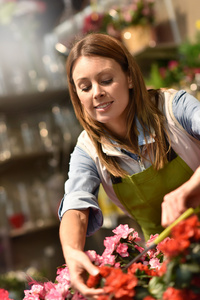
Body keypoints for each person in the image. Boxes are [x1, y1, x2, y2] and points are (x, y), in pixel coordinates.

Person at [58, 33, 200, 298]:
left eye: (106, 80)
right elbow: (75, 205)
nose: (97, 93)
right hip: (171, 266)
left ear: (130, 77)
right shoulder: (88, 150)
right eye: (85, 87)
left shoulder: (173, 108)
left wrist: (189, 188)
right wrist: (72, 250)